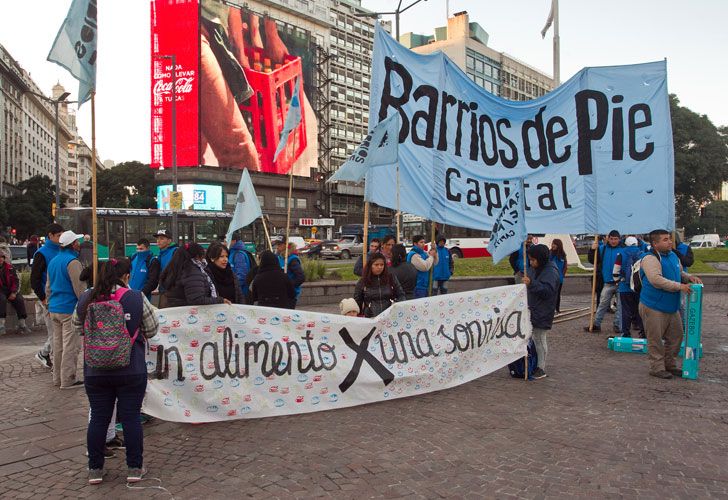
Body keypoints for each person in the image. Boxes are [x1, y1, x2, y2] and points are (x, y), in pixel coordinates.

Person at [72, 258, 159, 484]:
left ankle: (95, 470)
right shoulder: (135, 297)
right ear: (124, 276)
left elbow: (77, 327)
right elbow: (151, 329)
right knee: (130, 418)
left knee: (99, 418)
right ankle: (134, 468)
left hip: (95, 370)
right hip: (130, 368)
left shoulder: (85, 299)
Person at [639, 229, 702, 379]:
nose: (669, 242)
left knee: (676, 337)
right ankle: (657, 367)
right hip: (653, 306)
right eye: (665, 239)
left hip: (671, 306)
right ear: (655, 243)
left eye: (669, 239)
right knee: (655, 339)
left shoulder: (673, 256)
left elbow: (679, 272)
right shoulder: (649, 258)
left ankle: (670, 365)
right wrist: (680, 286)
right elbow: (656, 280)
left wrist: (689, 277)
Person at [46, 230, 86, 389]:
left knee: (58, 345)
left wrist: (49, 305)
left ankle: (57, 378)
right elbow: (80, 289)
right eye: (77, 241)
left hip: (55, 308)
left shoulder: (54, 261)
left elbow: (48, 287)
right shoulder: (73, 262)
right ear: (72, 244)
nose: (79, 243)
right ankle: (68, 379)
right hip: (68, 309)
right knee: (71, 345)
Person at [522, 244, 561, 380]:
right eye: (530, 260)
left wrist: (531, 283)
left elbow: (547, 291)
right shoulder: (535, 269)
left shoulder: (551, 271)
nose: (531, 263)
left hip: (543, 310)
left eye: (533, 260)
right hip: (533, 308)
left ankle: (541, 367)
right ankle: (535, 363)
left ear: (541, 258)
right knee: (534, 338)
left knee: (539, 338)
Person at [31, 223, 64, 368]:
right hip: (49, 299)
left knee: (59, 334)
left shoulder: (60, 250)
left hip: (59, 299)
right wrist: (43, 299)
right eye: (58, 236)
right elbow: (35, 279)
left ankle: (45, 354)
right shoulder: (42, 253)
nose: (61, 238)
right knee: (56, 335)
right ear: (50, 235)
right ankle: (50, 359)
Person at [160, 243, 231, 308]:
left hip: (175, 310)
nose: (204, 259)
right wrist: (220, 300)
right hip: (188, 314)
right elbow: (197, 299)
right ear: (197, 256)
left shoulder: (177, 268)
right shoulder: (192, 271)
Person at [584, 230, 624, 333]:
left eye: (615, 239)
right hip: (607, 282)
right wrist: (592, 250)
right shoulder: (603, 249)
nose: (613, 241)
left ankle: (618, 325)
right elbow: (593, 260)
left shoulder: (623, 249)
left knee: (620, 306)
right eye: (611, 239)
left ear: (619, 239)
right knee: (602, 304)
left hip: (620, 282)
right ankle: (596, 324)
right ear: (608, 239)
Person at [354, 253, 406, 318]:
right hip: (371, 318)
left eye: (382, 265)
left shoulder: (391, 278)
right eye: (376, 265)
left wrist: (396, 306)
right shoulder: (363, 281)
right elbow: (357, 302)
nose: (379, 267)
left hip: (390, 317)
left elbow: (401, 295)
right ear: (370, 265)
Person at [612, 236, 645, 338]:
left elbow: (615, 271)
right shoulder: (642, 254)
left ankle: (625, 333)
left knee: (625, 311)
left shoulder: (621, 254)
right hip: (639, 288)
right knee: (641, 311)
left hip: (624, 287)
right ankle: (643, 333)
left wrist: (617, 282)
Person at [0, 252, 29, 334]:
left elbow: (15, 281)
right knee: (1, 300)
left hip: (10, 290)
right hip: (1, 291)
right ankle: (1, 325)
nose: (1, 259)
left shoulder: (10, 268)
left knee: (19, 299)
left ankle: (22, 324)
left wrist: (13, 292)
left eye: (2, 257)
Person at [274, 237, 305, 308]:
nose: (277, 247)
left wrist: (288, 286)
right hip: (280, 293)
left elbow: (301, 277)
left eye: (279, 245)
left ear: (286, 245)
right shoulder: (279, 257)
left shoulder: (292, 259)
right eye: (277, 245)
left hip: (290, 295)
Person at [153, 229, 178, 307]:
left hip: (172, 292)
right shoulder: (161, 254)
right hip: (163, 290)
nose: (158, 241)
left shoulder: (175, 252)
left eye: (162, 238)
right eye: (157, 238)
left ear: (169, 241)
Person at [228, 233, 257, 298]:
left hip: (241, 292)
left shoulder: (239, 255)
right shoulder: (233, 252)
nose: (225, 242)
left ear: (234, 241)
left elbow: (241, 276)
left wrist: (232, 288)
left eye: (227, 240)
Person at [549, 239, 567, 313]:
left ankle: (557, 309)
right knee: (551, 294)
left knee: (557, 294)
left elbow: (565, 266)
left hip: (559, 278)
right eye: (552, 243)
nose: (553, 245)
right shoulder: (550, 253)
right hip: (550, 278)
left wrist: (562, 275)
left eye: (555, 244)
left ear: (558, 245)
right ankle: (550, 309)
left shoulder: (563, 255)